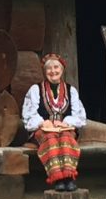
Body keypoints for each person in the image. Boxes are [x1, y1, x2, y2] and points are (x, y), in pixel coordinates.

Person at [22, 52, 87, 191]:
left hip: (64, 129)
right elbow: (28, 115)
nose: (53, 71)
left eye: (56, 67)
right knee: (50, 138)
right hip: (43, 130)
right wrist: (42, 122)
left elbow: (79, 116)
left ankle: (69, 177)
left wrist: (66, 122)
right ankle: (58, 179)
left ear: (62, 69)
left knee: (66, 137)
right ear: (45, 72)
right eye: (49, 69)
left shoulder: (71, 90)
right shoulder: (36, 90)